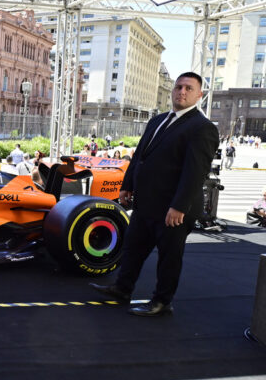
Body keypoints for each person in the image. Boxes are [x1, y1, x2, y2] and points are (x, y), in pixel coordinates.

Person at [90, 72, 219, 317]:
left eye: (188, 89)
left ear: (199, 95)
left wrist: (179, 206)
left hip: (173, 208)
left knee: (169, 257)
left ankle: (162, 302)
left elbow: (195, 173)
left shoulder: (202, 128)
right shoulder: (158, 120)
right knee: (133, 248)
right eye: (178, 87)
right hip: (146, 202)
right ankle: (122, 289)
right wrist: (127, 185)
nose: (182, 92)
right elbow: (140, 156)